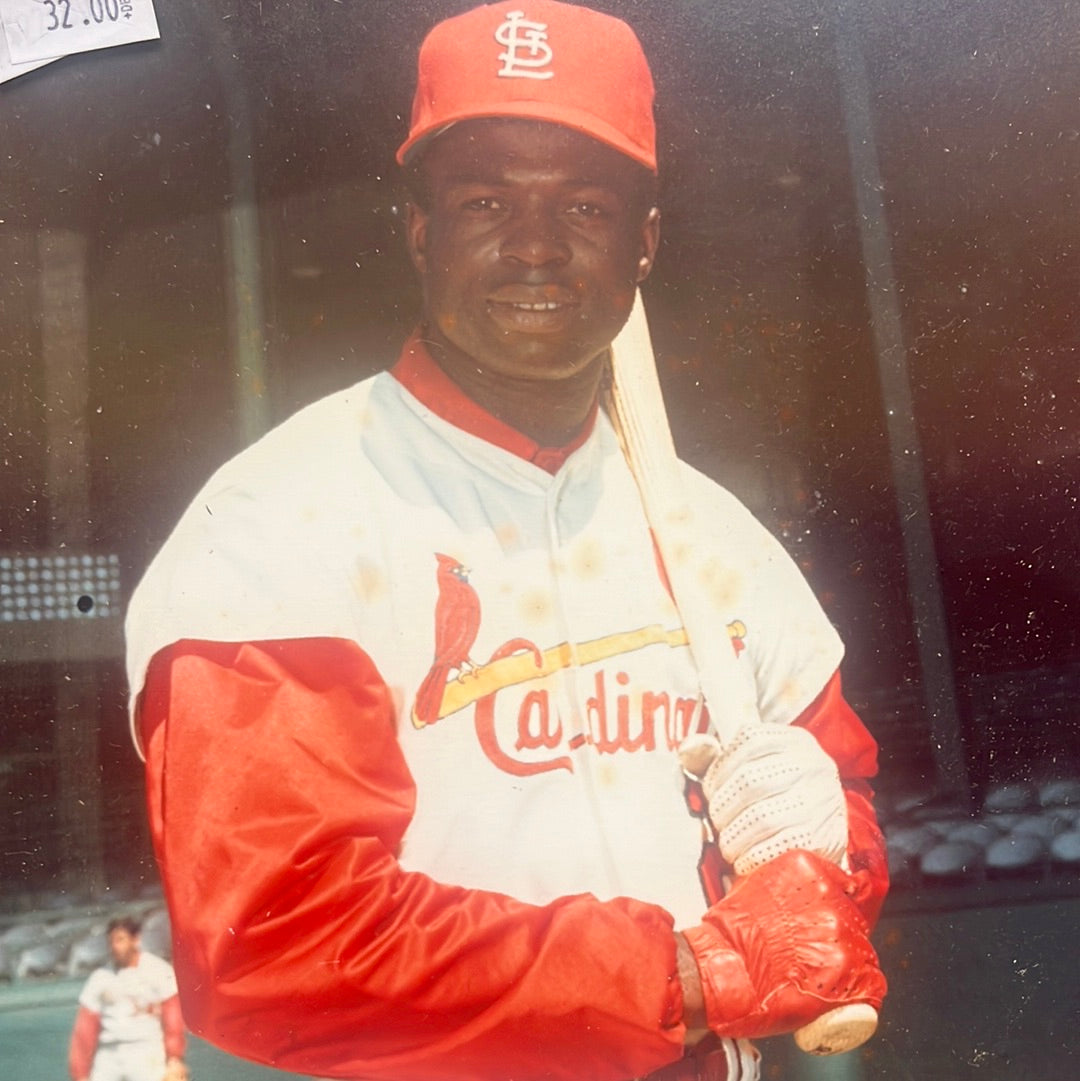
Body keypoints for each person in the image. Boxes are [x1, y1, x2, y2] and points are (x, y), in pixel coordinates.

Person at [125, 3, 889, 1080]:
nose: (535, 245)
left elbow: (839, 834)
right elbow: (276, 931)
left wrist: (822, 851)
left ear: (646, 241)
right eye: (486, 199)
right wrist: (681, 974)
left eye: (583, 204)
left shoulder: (723, 539)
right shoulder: (269, 524)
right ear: (420, 228)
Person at [68, 916, 188, 1081]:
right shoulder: (99, 978)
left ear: (136, 939)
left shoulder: (159, 971)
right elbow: (84, 1032)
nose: (115, 946)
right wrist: (80, 1074)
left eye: (120, 940)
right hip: (109, 1055)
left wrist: (175, 1058)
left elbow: (173, 1022)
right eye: (111, 941)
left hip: (147, 1051)